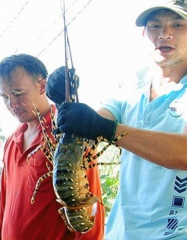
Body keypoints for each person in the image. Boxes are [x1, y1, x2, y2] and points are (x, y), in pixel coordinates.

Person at [46, 0, 187, 239]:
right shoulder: (132, 84)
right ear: (145, 34)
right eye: (155, 26)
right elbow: (91, 129)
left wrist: (106, 129)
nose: (165, 34)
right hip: (122, 232)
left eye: (178, 24)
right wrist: (64, 104)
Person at [0, 53, 105, 240]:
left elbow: (89, 203)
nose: (12, 104)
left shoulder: (69, 131)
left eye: (18, 94)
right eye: (5, 97)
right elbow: (4, 203)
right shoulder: (11, 141)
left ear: (42, 86)